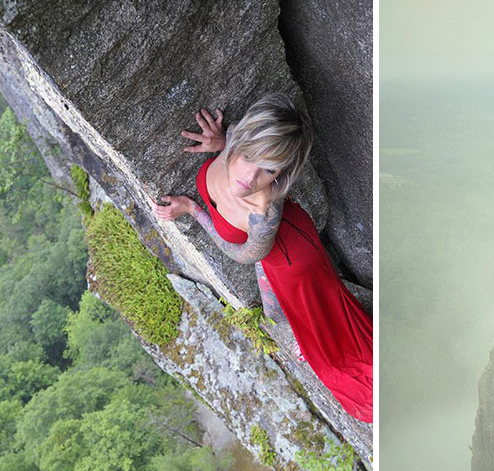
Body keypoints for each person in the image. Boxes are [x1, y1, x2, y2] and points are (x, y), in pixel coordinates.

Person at [151, 93, 373, 423]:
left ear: (279, 177)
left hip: (291, 259)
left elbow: (242, 254)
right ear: (239, 139)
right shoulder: (236, 141)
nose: (250, 177)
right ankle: (306, 334)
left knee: (305, 325)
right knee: (282, 313)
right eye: (248, 155)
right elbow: (243, 145)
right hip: (277, 249)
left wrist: (193, 210)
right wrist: (220, 142)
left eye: (268, 170)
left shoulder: (264, 214)